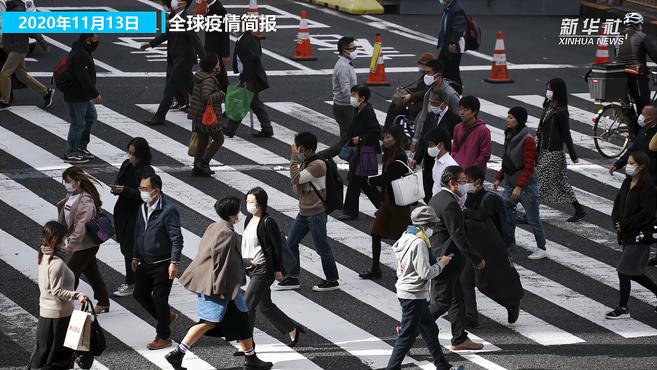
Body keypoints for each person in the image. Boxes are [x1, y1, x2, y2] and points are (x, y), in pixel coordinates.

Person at [165, 197, 273, 370]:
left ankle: (251, 358)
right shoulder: (227, 233)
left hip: (218, 285)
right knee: (208, 322)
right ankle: (178, 353)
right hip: (220, 287)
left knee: (241, 321)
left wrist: (243, 261)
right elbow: (222, 262)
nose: (240, 212)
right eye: (238, 210)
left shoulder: (214, 226)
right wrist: (243, 264)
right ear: (233, 214)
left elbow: (215, 256)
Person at [386, 206, 452, 370]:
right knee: (407, 336)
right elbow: (425, 273)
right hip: (413, 294)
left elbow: (412, 263)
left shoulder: (408, 235)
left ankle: (442, 364)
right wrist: (441, 264)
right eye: (432, 225)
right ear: (425, 225)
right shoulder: (419, 243)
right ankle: (392, 367)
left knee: (430, 329)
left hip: (411, 291)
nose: (433, 228)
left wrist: (433, 260)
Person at [428, 165, 485, 351]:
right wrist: (476, 259)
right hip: (446, 259)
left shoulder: (437, 198)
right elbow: (458, 236)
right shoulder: (450, 204)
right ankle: (409, 327)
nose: (466, 185)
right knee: (442, 301)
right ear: (452, 183)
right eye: (463, 182)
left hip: (443, 256)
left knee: (457, 299)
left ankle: (460, 338)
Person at [275, 132, 340, 292]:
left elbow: (296, 179)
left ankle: (332, 280)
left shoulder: (317, 164)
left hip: (316, 212)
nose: (297, 150)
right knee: (291, 242)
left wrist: (293, 159)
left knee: (322, 247)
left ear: (305, 148)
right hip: (305, 210)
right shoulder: (308, 162)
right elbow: (298, 186)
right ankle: (292, 277)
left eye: (298, 147)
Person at [243, 188, 303, 347]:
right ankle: (292, 328)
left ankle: (247, 345)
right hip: (252, 268)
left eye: (252, 202)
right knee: (265, 306)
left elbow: (276, 248)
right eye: (247, 201)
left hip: (264, 269)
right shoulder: (249, 219)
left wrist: (277, 270)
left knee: (247, 305)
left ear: (261, 203)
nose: (248, 205)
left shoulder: (268, 222)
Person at [462, 166, 522, 327]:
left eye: (466, 181)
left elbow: (481, 217)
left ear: (478, 182)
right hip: (475, 246)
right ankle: (471, 317)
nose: (464, 184)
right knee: (465, 279)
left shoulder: (490, 199)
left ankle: (511, 302)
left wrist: (464, 212)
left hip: (491, 248)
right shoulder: (470, 196)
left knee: (484, 283)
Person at [132, 174, 183, 350]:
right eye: (140, 188)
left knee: (160, 298)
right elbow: (139, 231)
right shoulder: (143, 207)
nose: (141, 192)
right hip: (145, 261)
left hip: (163, 263)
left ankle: (164, 336)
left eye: (145, 189)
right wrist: (135, 255)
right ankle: (166, 318)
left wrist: (174, 262)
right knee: (139, 293)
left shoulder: (168, 211)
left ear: (157, 190)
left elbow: (177, 238)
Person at [30, 221, 89, 370]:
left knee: (43, 353)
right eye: (65, 237)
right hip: (60, 316)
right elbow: (56, 291)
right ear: (58, 238)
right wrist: (78, 295)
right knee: (60, 357)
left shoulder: (43, 255)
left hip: (47, 313)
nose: (66, 239)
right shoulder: (57, 263)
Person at [606, 151, 657, 319]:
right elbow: (617, 203)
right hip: (626, 233)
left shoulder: (648, 187)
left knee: (623, 271)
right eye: (628, 162)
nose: (628, 166)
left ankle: (623, 308)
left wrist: (625, 224)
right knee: (633, 272)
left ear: (641, 166)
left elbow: (647, 215)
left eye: (632, 163)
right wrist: (617, 223)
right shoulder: (627, 182)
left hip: (639, 236)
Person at [493, 106, 547, 259]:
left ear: (519, 120)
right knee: (505, 216)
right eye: (508, 116)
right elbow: (507, 161)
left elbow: (529, 166)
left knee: (533, 219)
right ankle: (509, 246)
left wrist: (519, 186)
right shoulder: (509, 134)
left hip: (527, 186)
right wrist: (499, 177)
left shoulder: (528, 139)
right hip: (511, 184)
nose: (507, 120)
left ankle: (541, 248)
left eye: (511, 117)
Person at [141, 0, 205, 126]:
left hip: (183, 60)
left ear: (184, 4)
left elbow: (196, 41)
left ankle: (159, 117)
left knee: (170, 88)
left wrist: (206, 60)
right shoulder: (174, 17)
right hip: (174, 59)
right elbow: (167, 35)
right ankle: (208, 108)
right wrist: (150, 44)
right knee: (192, 87)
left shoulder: (186, 20)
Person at [360, 125, 412, 279]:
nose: (385, 139)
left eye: (389, 137)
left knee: (401, 238)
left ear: (396, 139)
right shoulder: (390, 153)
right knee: (376, 233)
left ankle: (403, 270)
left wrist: (371, 181)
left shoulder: (399, 156)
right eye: (385, 136)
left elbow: (389, 177)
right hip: (388, 202)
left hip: (399, 204)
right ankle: (376, 268)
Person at [57, 166, 110, 314]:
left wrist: (69, 245)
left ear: (78, 181)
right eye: (65, 181)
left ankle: (64, 307)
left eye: (68, 181)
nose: (66, 184)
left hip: (86, 244)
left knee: (71, 274)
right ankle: (103, 301)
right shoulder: (71, 195)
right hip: (81, 243)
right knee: (92, 272)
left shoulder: (85, 201)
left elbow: (80, 227)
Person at [111, 137, 155, 297]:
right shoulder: (126, 164)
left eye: (134, 154)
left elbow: (148, 195)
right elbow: (119, 181)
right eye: (129, 152)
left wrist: (125, 191)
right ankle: (141, 278)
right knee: (125, 245)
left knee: (130, 248)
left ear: (142, 155)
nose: (130, 157)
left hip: (137, 214)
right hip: (122, 210)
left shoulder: (147, 172)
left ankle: (132, 282)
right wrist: (116, 189)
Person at [536, 78, 586, 222]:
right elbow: (542, 127)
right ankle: (579, 210)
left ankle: (531, 214)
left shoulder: (561, 111)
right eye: (547, 88)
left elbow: (566, 134)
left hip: (554, 152)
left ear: (557, 91)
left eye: (550, 89)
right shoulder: (548, 106)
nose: (548, 91)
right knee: (561, 182)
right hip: (544, 149)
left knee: (541, 182)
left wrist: (573, 155)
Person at [338, 85, 382, 221]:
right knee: (362, 182)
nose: (352, 98)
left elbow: (376, 132)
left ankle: (350, 211)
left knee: (355, 181)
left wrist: (361, 138)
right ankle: (383, 206)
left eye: (354, 95)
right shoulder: (358, 109)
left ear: (363, 98)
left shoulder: (368, 112)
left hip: (365, 151)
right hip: (360, 151)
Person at [0, 0, 53, 109]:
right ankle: (46, 92)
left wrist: (43, 43)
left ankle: (5, 101)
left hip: (18, 49)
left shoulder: (17, 14)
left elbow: (31, 30)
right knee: (21, 76)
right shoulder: (12, 11)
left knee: (5, 73)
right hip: (14, 48)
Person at [411, 88, 460, 202]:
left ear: (445, 103)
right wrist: (416, 158)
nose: (432, 105)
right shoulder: (430, 116)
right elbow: (424, 138)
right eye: (431, 102)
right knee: (427, 192)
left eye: (435, 103)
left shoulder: (454, 119)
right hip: (428, 161)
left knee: (438, 191)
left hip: (443, 161)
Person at [222, 29, 273, 138]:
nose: (234, 29)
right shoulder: (246, 38)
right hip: (249, 76)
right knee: (255, 103)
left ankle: (230, 129)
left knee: (241, 101)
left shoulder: (248, 40)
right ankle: (267, 128)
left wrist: (245, 79)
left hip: (250, 77)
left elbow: (253, 59)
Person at [615, 12, 657, 137]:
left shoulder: (618, 37)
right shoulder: (642, 37)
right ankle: (641, 137)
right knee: (643, 107)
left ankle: (633, 133)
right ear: (638, 25)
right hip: (636, 76)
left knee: (627, 106)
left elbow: (620, 56)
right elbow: (654, 56)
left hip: (620, 76)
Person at [63, 33, 101, 164]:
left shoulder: (84, 50)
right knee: (78, 123)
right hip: (77, 94)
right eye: (96, 38)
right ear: (88, 39)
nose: (98, 40)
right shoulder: (80, 54)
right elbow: (83, 77)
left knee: (91, 118)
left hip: (83, 94)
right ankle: (71, 152)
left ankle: (81, 146)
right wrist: (95, 93)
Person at [188, 53, 226, 177]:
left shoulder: (201, 76)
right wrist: (220, 94)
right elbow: (205, 97)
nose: (218, 66)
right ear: (212, 66)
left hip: (198, 115)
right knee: (219, 139)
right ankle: (203, 164)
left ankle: (197, 167)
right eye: (217, 64)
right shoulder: (209, 79)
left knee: (203, 141)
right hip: (206, 117)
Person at [411, 59, 460, 152]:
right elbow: (423, 117)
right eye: (425, 73)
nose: (426, 76)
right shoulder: (428, 93)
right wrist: (415, 139)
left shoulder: (451, 95)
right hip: (430, 139)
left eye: (429, 73)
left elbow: (459, 120)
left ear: (438, 75)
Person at [383, 52, 435, 131]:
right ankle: (387, 131)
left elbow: (426, 91)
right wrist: (405, 90)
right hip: (417, 102)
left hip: (422, 106)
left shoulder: (432, 77)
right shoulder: (425, 75)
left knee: (399, 107)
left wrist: (411, 96)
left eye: (423, 65)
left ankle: (392, 132)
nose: (421, 67)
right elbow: (419, 89)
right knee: (394, 104)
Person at [612, 104, 657, 185]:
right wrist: (618, 164)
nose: (641, 116)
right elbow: (633, 149)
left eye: (644, 114)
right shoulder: (643, 131)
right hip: (637, 175)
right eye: (642, 113)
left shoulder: (655, 137)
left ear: (652, 118)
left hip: (650, 181)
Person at [451, 96, 491, 178]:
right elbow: (454, 149)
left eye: (465, 110)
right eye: (460, 109)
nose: (461, 112)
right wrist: (456, 162)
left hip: (474, 175)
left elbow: (485, 154)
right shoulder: (457, 128)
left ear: (474, 111)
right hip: (458, 172)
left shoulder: (483, 130)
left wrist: (472, 168)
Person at [436, 0, 467, 95]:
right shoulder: (450, 7)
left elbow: (458, 28)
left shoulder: (456, 9)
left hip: (453, 46)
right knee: (445, 67)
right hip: (447, 44)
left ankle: (457, 91)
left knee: (452, 69)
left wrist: (452, 42)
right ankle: (448, 89)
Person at [332, 36, 358, 136]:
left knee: (347, 135)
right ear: (345, 51)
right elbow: (346, 90)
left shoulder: (346, 63)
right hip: (346, 107)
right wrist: (357, 103)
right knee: (348, 136)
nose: (355, 51)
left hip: (345, 105)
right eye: (353, 49)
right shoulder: (343, 67)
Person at [203, 0, 230, 93]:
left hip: (216, 49)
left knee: (220, 76)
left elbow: (224, 33)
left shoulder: (219, 10)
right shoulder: (209, 7)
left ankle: (228, 97)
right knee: (218, 75)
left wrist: (226, 54)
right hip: (211, 48)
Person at [425, 125, 458, 198]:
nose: (429, 148)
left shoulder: (451, 166)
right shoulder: (436, 161)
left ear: (441, 145)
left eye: (431, 145)